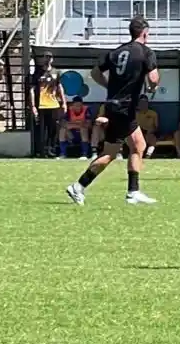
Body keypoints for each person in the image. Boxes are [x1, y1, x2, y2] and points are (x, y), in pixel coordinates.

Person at [66, 17, 159, 206]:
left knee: (134, 146)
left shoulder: (116, 52)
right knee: (115, 152)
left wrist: (109, 86)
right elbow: (154, 78)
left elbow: (95, 73)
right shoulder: (146, 52)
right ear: (145, 33)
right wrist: (152, 87)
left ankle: (131, 191)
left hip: (114, 105)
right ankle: (80, 186)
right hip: (125, 108)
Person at [29, 52, 64, 157]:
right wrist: (33, 106)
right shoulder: (37, 72)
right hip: (41, 105)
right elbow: (32, 89)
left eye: (49, 57)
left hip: (53, 105)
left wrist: (64, 102)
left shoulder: (56, 72)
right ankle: (40, 151)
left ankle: (51, 149)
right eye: (45, 57)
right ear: (43, 58)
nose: (47, 59)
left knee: (52, 129)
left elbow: (60, 87)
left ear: (52, 59)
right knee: (41, 129)